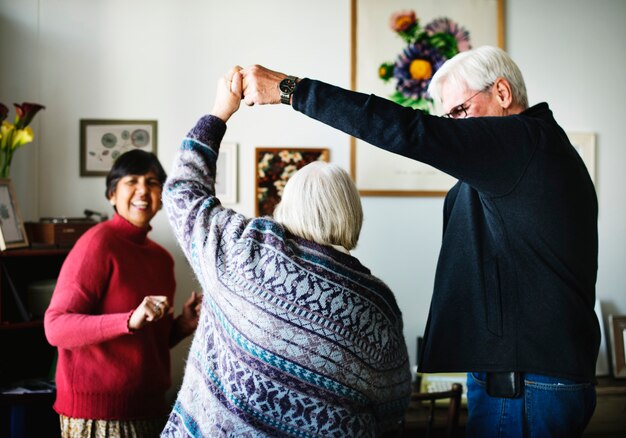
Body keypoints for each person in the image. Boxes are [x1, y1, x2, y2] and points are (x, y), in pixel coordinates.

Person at [240, 45, 600, 437]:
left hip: (525, 385)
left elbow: (412, 132)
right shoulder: (528, 153)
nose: (455, 127)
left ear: (502, 92)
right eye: (449, 118)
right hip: (524, 377)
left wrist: (291, 89)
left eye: (461, 112)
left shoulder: (523, 142)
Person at [160, 68, 412, 437]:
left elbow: (182, 192)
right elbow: (392, 407)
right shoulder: (376, 304)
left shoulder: (243, 250)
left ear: (286, 207)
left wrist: (219, 112)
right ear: (352, 216)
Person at [44, 149, 202, 438]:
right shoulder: (97, 243)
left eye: (153, 183)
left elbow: (148, 343)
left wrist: (182, 325)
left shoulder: (162, 258)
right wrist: (128, 320)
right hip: (99, 415)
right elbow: (55, 328)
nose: (143, 190)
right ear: (112, 195)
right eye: (132, 181)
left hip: (150, 409)